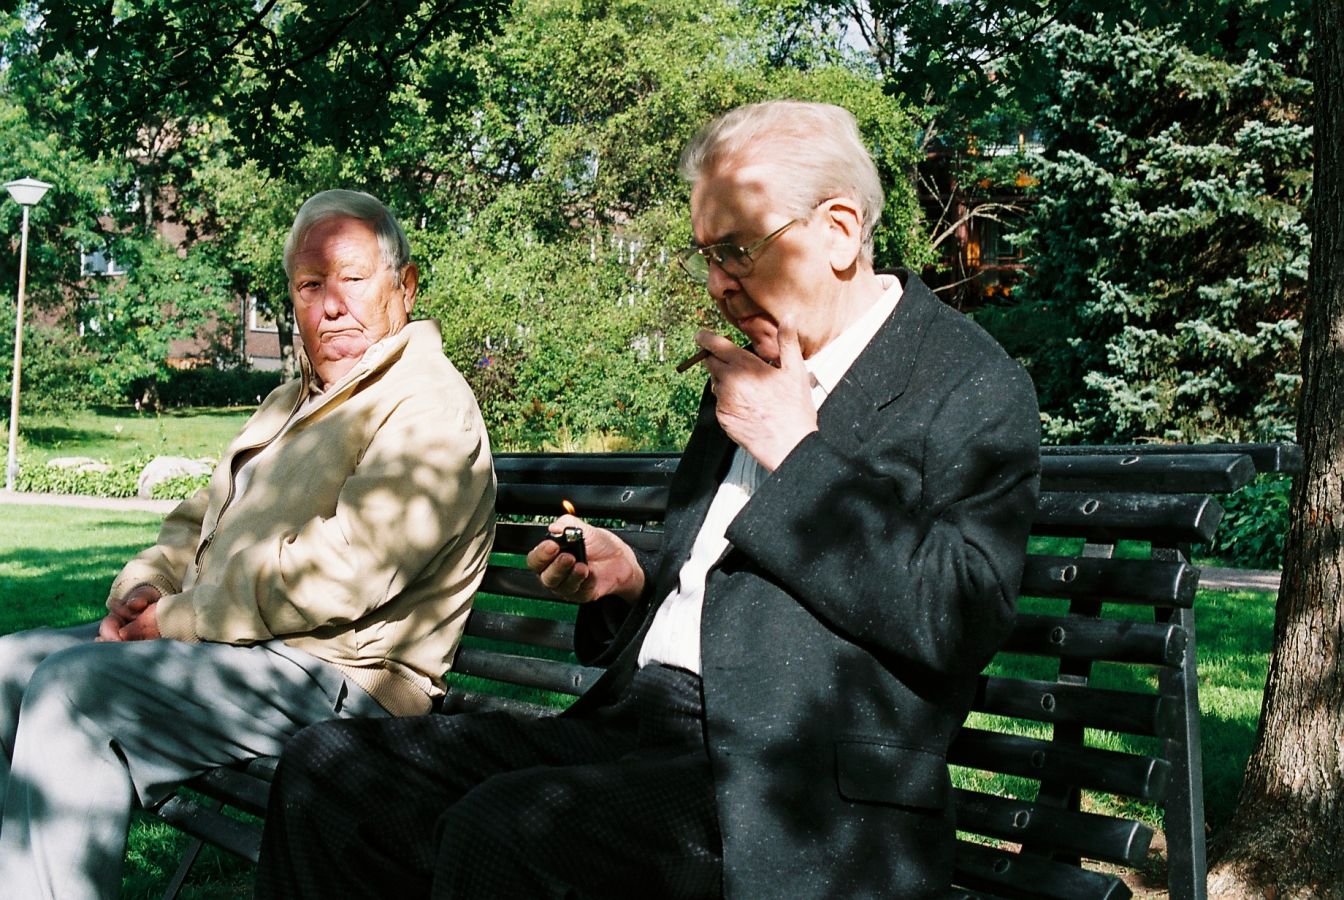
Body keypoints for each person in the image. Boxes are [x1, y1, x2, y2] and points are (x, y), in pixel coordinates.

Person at [253, 101, 1040, 899]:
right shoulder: (757, 363)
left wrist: (797, 453)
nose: (717, 283)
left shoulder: (966, 383)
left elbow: (963, 611)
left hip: (787, 784)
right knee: (331, 771)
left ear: (838, 230)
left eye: (736, 250)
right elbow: (724, 582)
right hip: (639, 728)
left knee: (505, 833)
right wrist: (633, 582)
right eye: (706, 256)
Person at [0, 189, 496, 899]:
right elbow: (197, 521)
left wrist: (178, 619)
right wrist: (144, 587)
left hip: (342, 676)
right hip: (243, 648)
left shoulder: (426, 404)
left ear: (405, 286)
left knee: (75, 692)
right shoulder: (292, 401)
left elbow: (341, 574)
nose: (332, 306)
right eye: (309, 285)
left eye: (353, 280)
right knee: (7, 669)